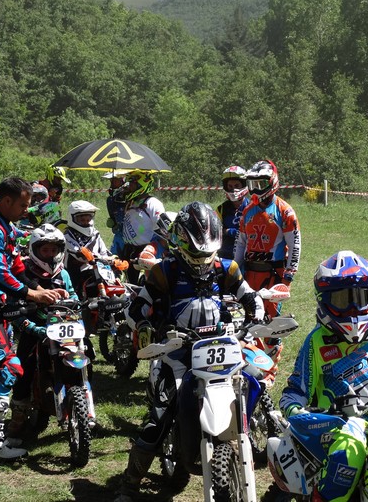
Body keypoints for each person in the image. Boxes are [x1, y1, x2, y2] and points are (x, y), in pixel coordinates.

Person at [114, 202, 264, 501]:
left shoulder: (225, 267)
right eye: (196, 254)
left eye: (208, 253)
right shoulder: (164, 271)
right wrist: (143, 325)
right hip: (177, 352)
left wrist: (255, 317)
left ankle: (264, 428)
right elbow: (136, 308)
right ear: (180, 244)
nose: (203, 260)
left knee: (255, 376)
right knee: (160, 419)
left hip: (220, 345)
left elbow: (251, 297)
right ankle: (129, 485)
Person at [280, 250, 368, 502]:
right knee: (348, 451)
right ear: (325, 300)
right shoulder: (317, 343)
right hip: (338, 430)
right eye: (344, 299)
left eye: (362, 298)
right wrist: (300, 414)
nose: (354, 308)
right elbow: (294, 393)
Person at [0, 177, 68, 460]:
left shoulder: (4, 225)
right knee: (8, 368)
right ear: (6, 201)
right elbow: (0, 274)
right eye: (23, 204)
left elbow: (16, 266)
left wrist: (40, 287)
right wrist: (32, 294)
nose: (26, 210)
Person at [5, 224, 79, 440]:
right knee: (23, 367)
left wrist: (73, 301)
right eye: (45, 250)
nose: (50, 254)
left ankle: (82, 397)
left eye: (53, 250)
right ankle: (18, 414)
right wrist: (33, 327)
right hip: (34, 327)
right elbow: (13, 305)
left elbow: (74, 295)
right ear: (34, 250)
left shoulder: (63, 273)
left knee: (87, 354)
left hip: (62, 327)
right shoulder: (23, 272)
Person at [234, 159, 300, 379]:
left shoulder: (285, 210)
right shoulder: (248, 211)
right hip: (250, 272)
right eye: (252, 184)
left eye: (260, 184)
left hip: (274, 274)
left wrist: (288, 279)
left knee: (272, 323)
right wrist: (233, 272)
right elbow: (240, 244)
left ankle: (270, 368)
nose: (256, 190)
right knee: (248, 318)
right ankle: (250, 363)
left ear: (272, 182)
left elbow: (295, 244)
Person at [63, 200, 115, 298]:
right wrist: (96, 257)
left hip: (96, 270)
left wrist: (113, 259)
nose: (86, 222)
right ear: (72, 218)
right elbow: (80, 255)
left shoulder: (95, 233)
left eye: (88, 219)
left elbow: (104, 251)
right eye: (82, 220)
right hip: (75, 273)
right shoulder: (67, 235)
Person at [120, 170, 165, 282]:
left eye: (132, 183)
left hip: (146, 250)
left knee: (148, 283)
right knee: (129, 284)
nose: (129, 186)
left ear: (141, 184)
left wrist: (155, 251)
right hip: (128, 249)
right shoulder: (131, 202)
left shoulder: (153, 203)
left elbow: (163, 231)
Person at [216, 165, 248, 261]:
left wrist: (228, 231)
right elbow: (215, 232)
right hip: (225, 256)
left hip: (246, 255)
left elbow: (251, 234)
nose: (233, 189)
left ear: (243, 185)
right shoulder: (221, 209)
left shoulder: (252, 208)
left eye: (237, 186)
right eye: (230, 186)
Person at [104, 171, 128, 257]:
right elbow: (113, 218)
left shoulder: (130, 197)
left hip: (132, 234)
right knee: (114, 259)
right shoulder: (110, 200)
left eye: (114, 180)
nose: (112, 183)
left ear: (122, 180)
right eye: (111, 181)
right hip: (119, 234)